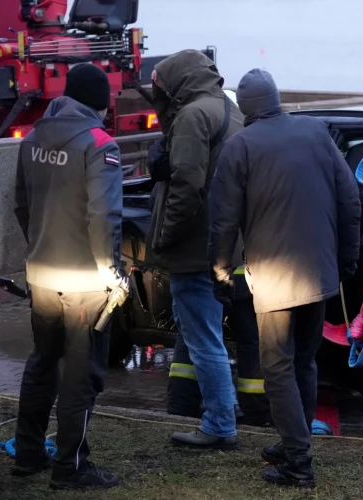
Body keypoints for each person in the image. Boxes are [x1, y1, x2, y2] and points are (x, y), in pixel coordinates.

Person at [208, 68, 361, 487]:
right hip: (319, 274)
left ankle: (298, 462)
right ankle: (295, 440)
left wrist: (220, 271)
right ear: (276, 99)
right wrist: (347, 259)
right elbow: (350, 198)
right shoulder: (316, 132)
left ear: (246, 108)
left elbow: (223, 222)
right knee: (304, 363)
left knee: (276, 368)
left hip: (275, 279)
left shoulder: (239, 147)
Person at [12, 63, 125, 490]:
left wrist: (40, 245)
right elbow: (104, 216)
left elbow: (21, 203)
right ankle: (70, 467)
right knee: (81, 374)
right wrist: (111, 273)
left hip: (42, 272)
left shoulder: (33, 138)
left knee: (43, 361)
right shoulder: (99, 144)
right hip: (86, 282)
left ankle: (27, 453)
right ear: (101, 103)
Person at [144, 49, 244, 449]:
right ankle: (224, 411)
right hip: (222, 244)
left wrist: (163, 237)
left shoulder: (192, 116)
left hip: (193, 248)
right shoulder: (229, 111)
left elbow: (186, 187)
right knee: (208, 334)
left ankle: (219, 423)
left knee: (203, 339)